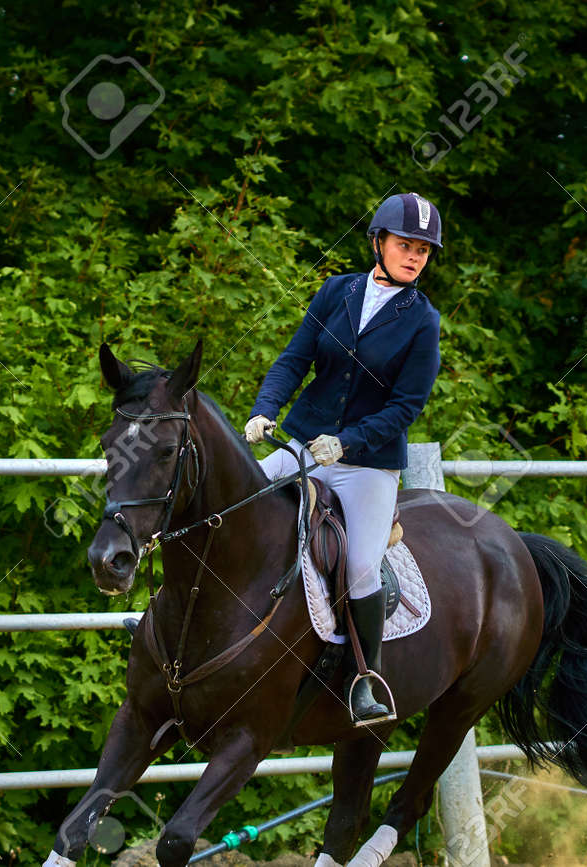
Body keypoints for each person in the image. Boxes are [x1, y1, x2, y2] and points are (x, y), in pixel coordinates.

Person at [244, 192, 443, 726]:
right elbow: (295, 359)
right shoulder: (336, 291)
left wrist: (348, 442)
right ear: (378, 242)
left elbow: (408, 405)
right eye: (405, 245)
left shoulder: (423, 321)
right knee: (236, 506)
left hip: (368, 464)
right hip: (303, 443)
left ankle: (365, 679)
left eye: (423, 251)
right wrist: (266, 410)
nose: (414, 257)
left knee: (359, 566)